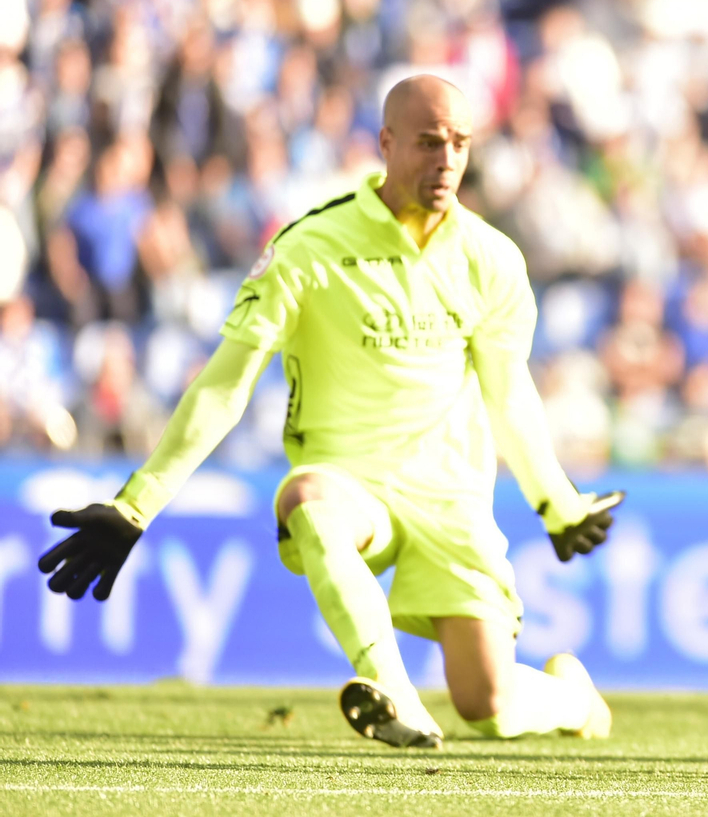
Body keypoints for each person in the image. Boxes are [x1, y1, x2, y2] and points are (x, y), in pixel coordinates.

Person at [37, 75, 622, 750]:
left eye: (459, 144)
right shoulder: (309, 247)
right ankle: (393, 690)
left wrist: (557, 500)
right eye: (429, 142)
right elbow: (225, 385)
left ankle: (574, 700)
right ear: (386, 143)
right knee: (306, 497)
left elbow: (508, 391)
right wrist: (137, 503)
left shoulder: (491, 258)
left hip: (451, 495)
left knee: (489, 705)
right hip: (353, 484)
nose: (446, 160)